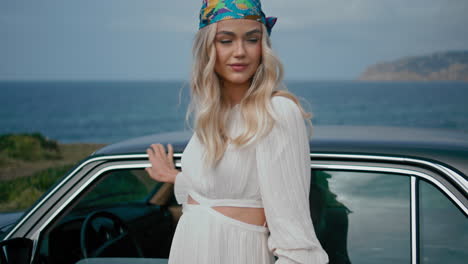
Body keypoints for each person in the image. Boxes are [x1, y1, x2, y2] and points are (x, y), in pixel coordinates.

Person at [145, 0, 329, 263]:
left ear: (263, 48)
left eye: (251, 39)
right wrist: (175, 177)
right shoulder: (213, 116)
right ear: (207, 48)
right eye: (226, 40)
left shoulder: (276, 112)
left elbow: (296, 243)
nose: (240, 51)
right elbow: (216, 195)